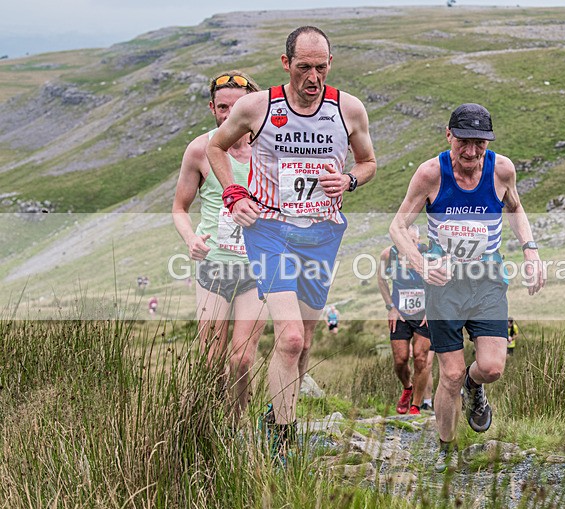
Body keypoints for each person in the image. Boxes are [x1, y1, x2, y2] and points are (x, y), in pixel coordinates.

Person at [207, 26, 376, 456]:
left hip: (321, 233)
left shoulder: (349, 110)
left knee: (306, 341)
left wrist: (350, 180)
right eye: (304, 67)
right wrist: (233, 192)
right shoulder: (256, 107)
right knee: (291, 338)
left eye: (321, 67)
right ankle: (283, 442)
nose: (313, 77)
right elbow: (215, 148)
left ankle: (275, 414)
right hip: (269, 230)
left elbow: (369, 162)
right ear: (286, 65)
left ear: (330, 65)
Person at [389, 103, 545, 472]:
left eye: (480, 143)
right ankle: (446, 451)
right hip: (444, 287)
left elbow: (516, 208)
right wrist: (420, 263)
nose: (472, 152)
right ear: (449, 137)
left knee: (490, 368)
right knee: (452, 374)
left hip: (487, 282)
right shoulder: (430, 174)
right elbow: (398, 227)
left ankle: (476, 390)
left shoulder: (502, 170)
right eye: (464, 142)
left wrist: (531, 251)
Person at [172, 70, 269, 424]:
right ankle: (210, 426)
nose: (229, 115)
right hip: (213, 265)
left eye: (236, 106)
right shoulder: (200, 149)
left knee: (242, 359)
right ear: (213, 108)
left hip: (256, 268)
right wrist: (191, 239)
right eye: (222, 107)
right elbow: (180, 208)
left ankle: (236, 422)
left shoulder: (268, 149)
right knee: (211, 361)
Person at [377, 225, 434, 415]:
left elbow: (439, 281)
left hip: (424, 313)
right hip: (400, 314)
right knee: (400, 360)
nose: (409, 245)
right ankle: (407, 387)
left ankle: (416, 406)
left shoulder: (428, 254)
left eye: (413, 241)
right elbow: (381, 279)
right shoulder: (388, 255)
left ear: (418, 241)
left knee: (421, 358)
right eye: (405, 241)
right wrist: (390, 307)